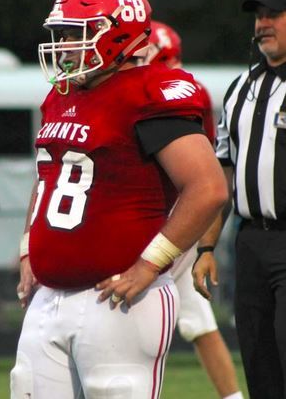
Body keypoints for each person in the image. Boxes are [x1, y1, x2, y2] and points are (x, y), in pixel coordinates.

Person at [10, 0, 228, 399]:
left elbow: (208, 187)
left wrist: (150, 265)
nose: (65, 45)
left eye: (77, 33)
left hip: (119, 300)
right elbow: (48, 179)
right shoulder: (61, 95)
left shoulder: (151, 92)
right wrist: (28, 249)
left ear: (116, 34)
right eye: (63, 33)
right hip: (49, 296)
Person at [136, 20, 243, 399]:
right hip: (185, 223)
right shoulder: (188, 89)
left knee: (134, 313)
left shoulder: (170, 93)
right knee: (199, 324)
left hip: (168, 223)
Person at [192, 0, 286, 399]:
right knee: (258, 357)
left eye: (274, 15)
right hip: (248, 243)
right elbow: (222, 175)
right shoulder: (241, 89)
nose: (263, 24)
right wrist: (207, 248)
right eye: (259, 16)